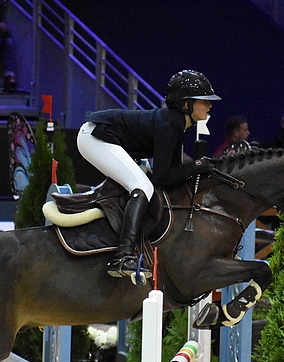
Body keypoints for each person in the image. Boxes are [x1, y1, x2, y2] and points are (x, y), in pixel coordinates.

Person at [77, 69, 220, 280]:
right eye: (204, 101)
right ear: (185, 104)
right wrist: (198, 165)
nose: (210, 105)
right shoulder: (169, 125)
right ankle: (123, 257)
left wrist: (197, 168)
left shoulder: (179, 124)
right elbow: (161, 178)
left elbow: (174, 173)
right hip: (95, 137)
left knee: (144, 184)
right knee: (142, 186)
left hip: (106, 138)